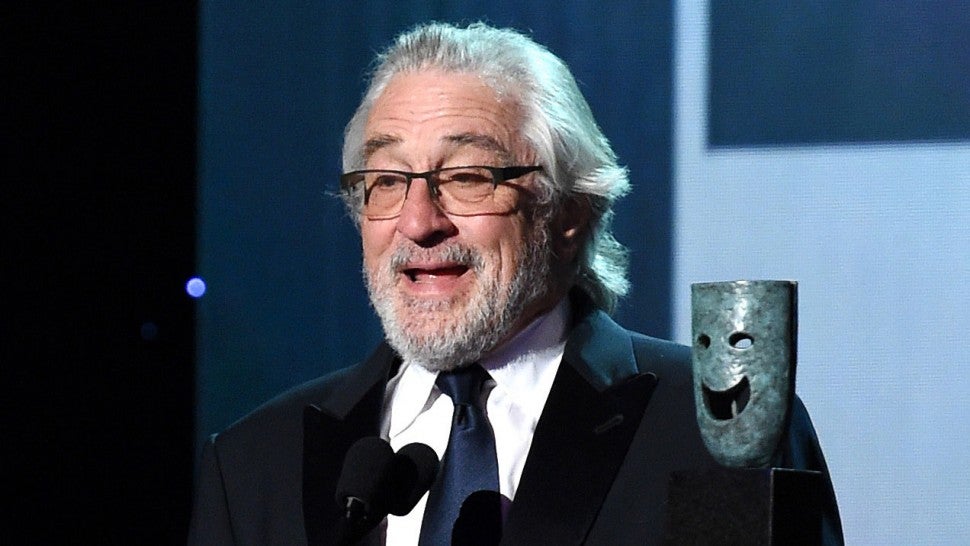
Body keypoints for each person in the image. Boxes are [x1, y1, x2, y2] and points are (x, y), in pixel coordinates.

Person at [188, 22, 843, 545]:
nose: (417, 222)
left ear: (569, 211)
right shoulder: (255, 465)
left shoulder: (713, 429)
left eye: (467, 178)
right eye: (386, 181)